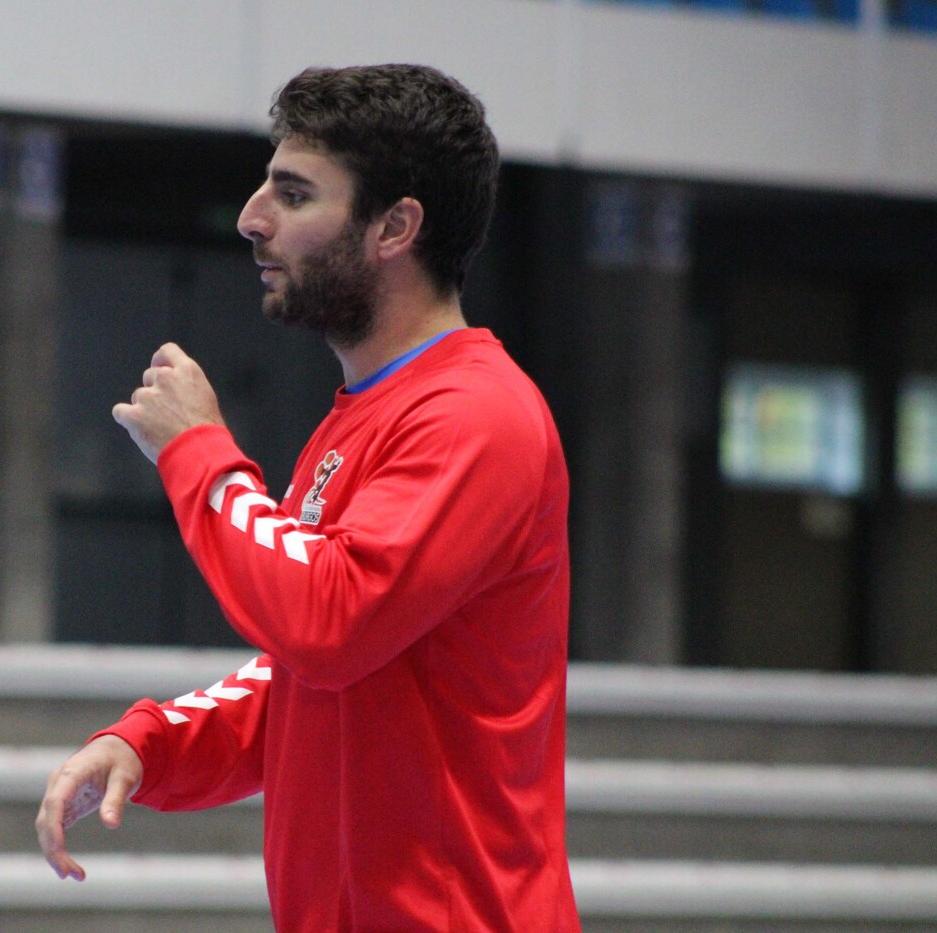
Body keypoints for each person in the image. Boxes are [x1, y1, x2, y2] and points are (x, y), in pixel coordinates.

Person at [36, 63, 580, 932]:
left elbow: (328, 619)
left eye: (293, 195)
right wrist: (151, 741)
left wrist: (199, 452)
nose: (252, 218)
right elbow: (306, 678)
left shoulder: (476, 415)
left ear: (395, 227)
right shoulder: (362, 417)